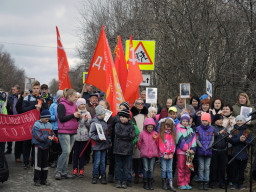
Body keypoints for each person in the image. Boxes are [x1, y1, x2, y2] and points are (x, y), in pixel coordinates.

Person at [55, 88, 80, 180]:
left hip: (73, 131)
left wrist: (78, 116)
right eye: (74, 97)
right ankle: (58, 171)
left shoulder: (74, 105)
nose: (76, 98)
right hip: (64, 131)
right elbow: (61, 118)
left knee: (68, 153)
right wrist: (73, 115)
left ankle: (64, 172)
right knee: (65, 152)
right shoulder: (61, 105)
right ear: (69, 96)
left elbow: (75, 118)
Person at [32, 109, 58, 186]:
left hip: (46, 147)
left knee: (45, 164)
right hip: (38, 146)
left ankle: (44, 179)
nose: (47, 120)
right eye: (46, 119)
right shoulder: (36, 125)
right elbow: (38, 136)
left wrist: (54, 137)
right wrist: (47, 137)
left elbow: (52, 133)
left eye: (48, 119)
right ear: (42, 118)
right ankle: (37, 180)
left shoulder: (49, 125)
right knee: (37, 164)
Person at [108, 101, 130, 183]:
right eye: (120, 108)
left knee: (123, 162)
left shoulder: (128, 119)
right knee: (113, 159)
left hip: (124, 144)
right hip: (114, 142)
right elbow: (110, 129)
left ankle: (123, 178)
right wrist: (110, 139)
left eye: (123, 108)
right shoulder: (115, 118)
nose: (121, 110)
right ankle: (111, 174)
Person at [113, 109, 135, 189]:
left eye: (124, 117)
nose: (122, 118)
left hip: (128, 150)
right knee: (118, 166)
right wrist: (127, 135)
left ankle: (124, 181)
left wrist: (124, 136)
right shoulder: (117, 125)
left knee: (126, 167)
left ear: (128, 118)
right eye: (121, 117)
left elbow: (132, 136)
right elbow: (118, 134)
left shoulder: (131, 126)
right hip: (118, 149)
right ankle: (118, 180)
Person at [22, 80, 42, 169]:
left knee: (35, 145)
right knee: (26, 144)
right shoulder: (27, 98)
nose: (36, 90)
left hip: (38, 125)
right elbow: (23, 109)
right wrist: (34, 106)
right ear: (32, 89)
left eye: (38, 88)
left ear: (40, 89)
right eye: (34, 88)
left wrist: (42, 106)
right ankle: (26, 162)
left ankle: (34, 162)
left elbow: (45, 111)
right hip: (28, 125)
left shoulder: (41, 98)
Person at [229, 115, 252, 190]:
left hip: (244, 153)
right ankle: (234, 183)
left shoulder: (247, 131)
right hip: (235, 153)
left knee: (242, 170)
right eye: (238, 121)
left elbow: (250, 142)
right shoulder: (233, 130)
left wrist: (244, 140)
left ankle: (240, 183)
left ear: (244, 121)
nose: (239, 122)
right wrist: (239, 139)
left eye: (241, 120)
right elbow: (231, 141)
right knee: (234, 170)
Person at [89, 105, 111, 184]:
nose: (105, 115)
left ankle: (103, 176)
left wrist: (109, 141)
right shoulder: (94, 123)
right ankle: (95, 176)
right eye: (104, 113)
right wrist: (98, 138)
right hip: (97, 146)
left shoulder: (104, 122)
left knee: (103, 162)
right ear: (100, 114)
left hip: (104, 145)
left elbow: (106, 133)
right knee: (97, 162)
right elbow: (91, 134)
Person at [175, 113, 196, 190]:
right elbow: (179, 140)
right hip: (181, 152)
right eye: (183, 121)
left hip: (189, 153)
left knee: (188, 167)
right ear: (181, 121)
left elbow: (194, 140)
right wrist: (185, 149)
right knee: (181, 167)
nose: (185, 122)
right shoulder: (178, 129)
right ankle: (180, 183)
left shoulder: (191, 130)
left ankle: (186, 182)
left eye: (186, 121)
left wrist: (192, 149)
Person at [130, 98, 148, 184]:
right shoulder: (131, 115)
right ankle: (136, 175)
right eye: (138, 103)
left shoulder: (146, 115)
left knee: (144, 158)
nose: (140, 105)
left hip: (145, 139)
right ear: (135, 104)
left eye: (142, 103)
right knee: (136, 158)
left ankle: (146, 176)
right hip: (136, 138)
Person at [137, 118, 159, 190]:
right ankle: (145, 182)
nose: (150, 128)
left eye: (151, 127)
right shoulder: (142, 133)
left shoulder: (155, 134)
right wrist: (142, 149)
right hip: (145, 153)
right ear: (145, 126)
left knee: (151, 169)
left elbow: (157, 143)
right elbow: (139, 142)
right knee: (146, 168)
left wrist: (156, 150)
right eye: (148, 127)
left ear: (153, 127)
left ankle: (150, 182)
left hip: (153, 154)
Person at [209, 114, 229, 189]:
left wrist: (229, 137)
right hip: (215, 150)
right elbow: (213, 136)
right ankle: (212, 182)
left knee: (222, 167)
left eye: (221, 120)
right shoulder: (212, 128)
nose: (220, 121)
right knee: (213, 167)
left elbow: (227, 139)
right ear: (215, 120)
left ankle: (222, 182)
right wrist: (219, 133)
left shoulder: (224, 129)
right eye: (219, 120)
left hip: (223, 151)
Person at [73, 98, 91, 177]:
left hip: (84, 136)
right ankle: (75, 168)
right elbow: (73, 122)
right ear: (78, 105)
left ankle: (81, 169)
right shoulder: (75, 112)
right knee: (75, 153)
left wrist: (86, 121)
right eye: (81, 104)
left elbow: (89, 125)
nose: (83, 106)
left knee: (82, 153)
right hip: (76, 135)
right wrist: (78, 117)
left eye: (84, 104)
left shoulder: (88, 113)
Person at [196, 113, 214, 190]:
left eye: (206, 120)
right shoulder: (198, 128)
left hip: (209, 150)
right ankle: (201, 181)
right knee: (201, 167)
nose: (204, 122)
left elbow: (212, 140)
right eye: (203, 120)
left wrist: (208, 147)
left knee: (207, 167)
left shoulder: (212, 129)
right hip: (200, 150)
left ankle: (206, 181)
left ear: (209, 121)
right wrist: (201, 146)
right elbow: (197, 139)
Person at [158, 118, 176, 191]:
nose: (168, 127)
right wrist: (164, 153)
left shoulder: (172, 134)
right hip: (163, 155)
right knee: (164, 169)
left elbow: (173, 145)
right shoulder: (161, 134)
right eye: (167, 125)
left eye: (170, 126)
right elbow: (161, 145)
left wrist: (172, 153)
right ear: (164, 125)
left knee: (170, 169)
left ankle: (170, 184)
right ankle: (164, 183)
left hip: (170, 155)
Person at [48, 90, 63, 168]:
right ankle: (52, 160)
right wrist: (56, 117)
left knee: (61, 146)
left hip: (63, 128)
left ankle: (60, 161)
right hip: (55, 128)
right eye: (61, 96)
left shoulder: (64, 104)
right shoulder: (53, 105)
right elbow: (49, 116)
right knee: (54, 145)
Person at [14, 90, 28, 162]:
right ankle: (17, 156)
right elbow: (19, 110)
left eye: (28, 93)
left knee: (26, 140)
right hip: (20, 122)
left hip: (27, 123)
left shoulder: (29, 101)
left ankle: (26, 155)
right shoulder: (20, 102)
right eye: (25, 93)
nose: (27, 95)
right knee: (19, 140)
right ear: (22, 95)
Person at [6, 85, 20, 155]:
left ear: (18, 90)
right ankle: (9, 149)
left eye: (14, 89)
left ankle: (19, 151)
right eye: (12, 89)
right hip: (11, 117)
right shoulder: (10, 97)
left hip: (19, 118)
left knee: (19, 134)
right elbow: (7, 105)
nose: (12, 90)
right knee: (10, 133)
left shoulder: (20, 97)